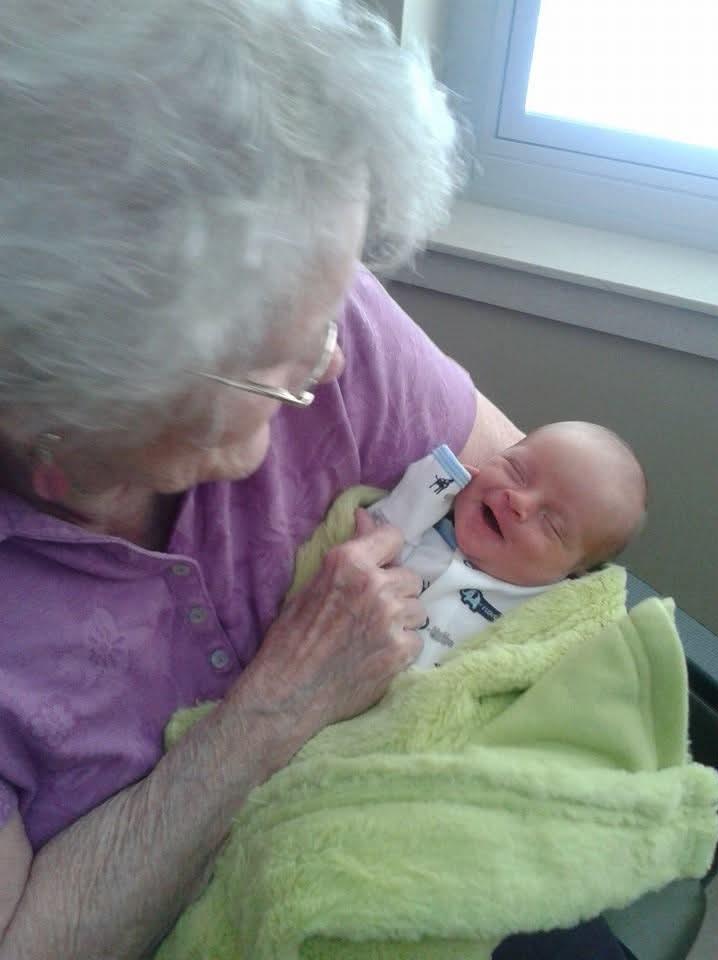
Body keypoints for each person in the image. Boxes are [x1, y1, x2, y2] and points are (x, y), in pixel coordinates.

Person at [0, 3, 624, 958]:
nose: (341, 360)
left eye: (339, 304)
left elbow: (558, 540)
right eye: (289, 360)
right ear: (92, 411)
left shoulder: (305, 292)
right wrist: (272, 715)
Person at [368, 421, 647, 668]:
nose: (519, 500)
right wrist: (438, 478)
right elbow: (369, 541)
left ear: (572, 573)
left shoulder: (544, 619)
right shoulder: (420, 518)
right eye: (515, 471)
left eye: (551, 524)